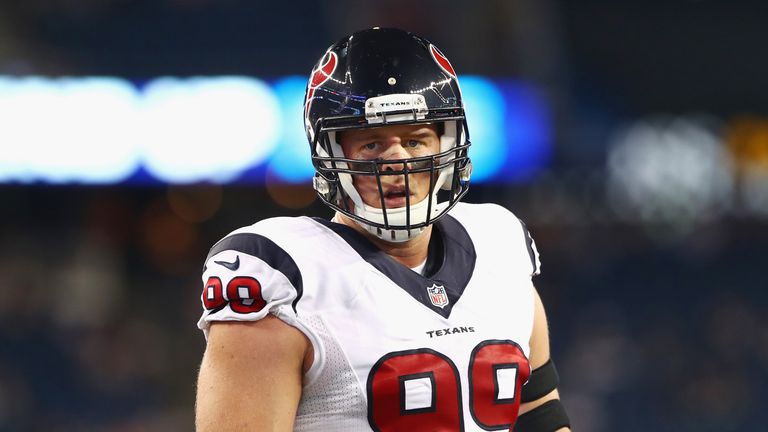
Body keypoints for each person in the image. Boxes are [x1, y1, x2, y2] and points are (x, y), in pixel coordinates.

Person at [195, 27, 570, 432]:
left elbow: (540, 415)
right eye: (372, 144)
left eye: (415, 140)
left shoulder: (499, 241)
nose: (398, 162)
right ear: (331, 154)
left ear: (448, 144)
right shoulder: (284, 273)